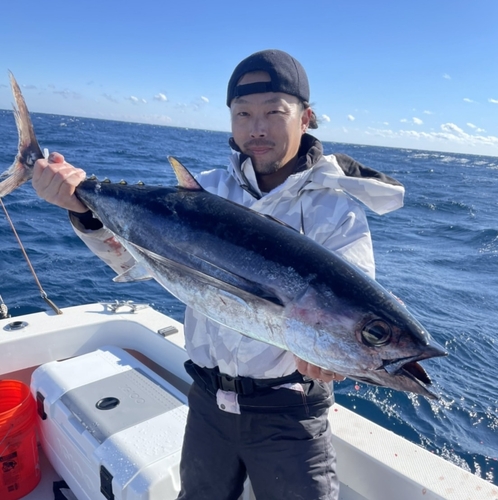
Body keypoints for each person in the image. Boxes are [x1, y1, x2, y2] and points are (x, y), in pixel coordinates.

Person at [32, 49, 404, 500]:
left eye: (274, 112)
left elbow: (347, 314)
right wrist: (84, 212)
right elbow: (134, 263)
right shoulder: (203, 190)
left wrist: (332, 361)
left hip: (290, 414)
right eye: (243, 113)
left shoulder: (336, 211)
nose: (258, 127)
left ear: (305, 118)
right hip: (207, 402)